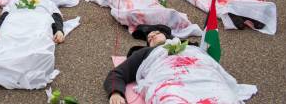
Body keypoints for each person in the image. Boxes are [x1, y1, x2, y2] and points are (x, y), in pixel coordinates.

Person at [104, 24, 256, 104]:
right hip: (169, 81)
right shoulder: (146, 54)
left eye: (156, 33)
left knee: (224, 98)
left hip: (204, 77)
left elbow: (209, 62)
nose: (152, 36)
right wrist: (116, 92)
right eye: (149, 39)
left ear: (168, 36)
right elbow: (118, 74)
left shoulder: (192, 47)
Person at [0, 0, 70, 90]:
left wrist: (59, 30)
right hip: (15, 18)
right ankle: (3, 61)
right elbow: (4, 16)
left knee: (39, 35)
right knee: (8, 33)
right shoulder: (16, 2)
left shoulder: (48, 3)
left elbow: (56, 17)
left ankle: (32, 60)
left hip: (38, 19)